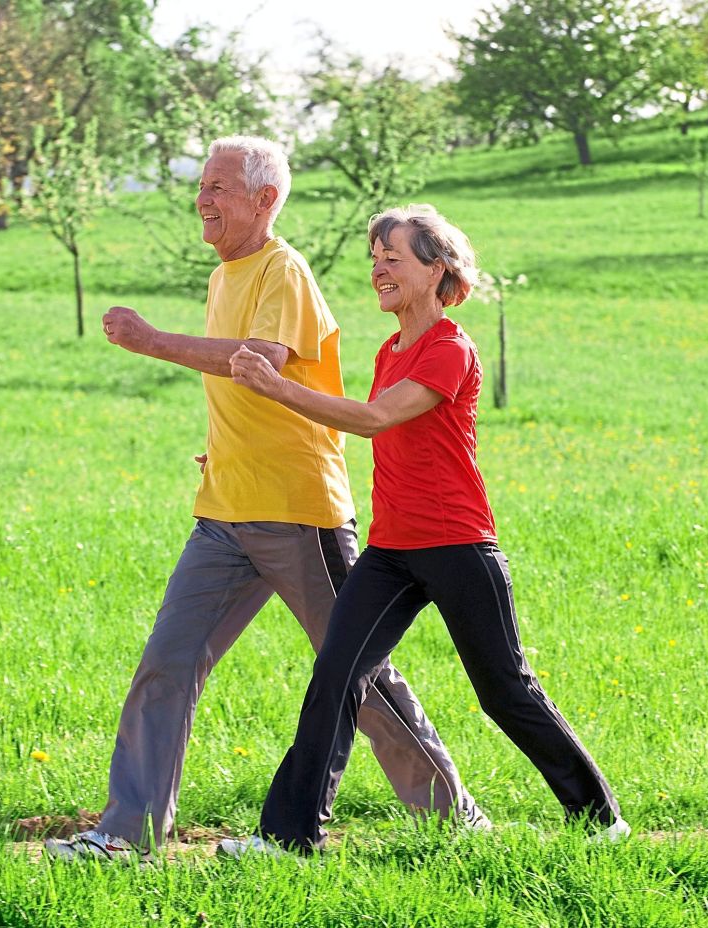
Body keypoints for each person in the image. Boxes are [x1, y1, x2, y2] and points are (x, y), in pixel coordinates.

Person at [44, 140, 486, 863]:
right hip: (223, 510)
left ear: (264, 200)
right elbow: (244, 385)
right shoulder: (226, 275)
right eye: (201, 186)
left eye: (218, 187)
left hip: (298, 511)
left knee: (357, 675)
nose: (203, 200)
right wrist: (226, 449)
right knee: (168, 663)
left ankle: (452, 818)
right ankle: (126, 835)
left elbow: (260, 363)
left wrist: (153, 341)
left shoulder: (284, 270)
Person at [221, 204, 628, 856]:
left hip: (458, 546)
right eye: (374, 258)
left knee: (504, 691)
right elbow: (353, 419)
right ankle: (290, 835)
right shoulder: (390, 348)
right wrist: (240, 453)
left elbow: (376, 418)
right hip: (391, 550)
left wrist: (274, 387)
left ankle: (600, 819)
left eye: (394, 258)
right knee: (336, 676)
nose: (379, 269)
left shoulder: (449, 349)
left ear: (437, 269)